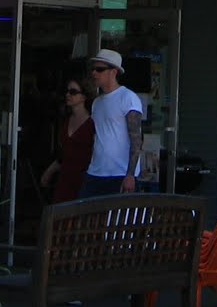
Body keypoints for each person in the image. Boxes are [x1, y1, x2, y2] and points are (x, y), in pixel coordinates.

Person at [79, 49, 144, 197]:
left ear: (113, 72)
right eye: (93, 69)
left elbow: (136, 139)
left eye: (99, 69)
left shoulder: (128, 98)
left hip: (119, 174)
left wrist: (130, 175)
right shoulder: (97, 103)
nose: (94, 73)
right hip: (95, 172)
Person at [40, 72, 95, 203]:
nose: (68, 95)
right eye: (67, 91)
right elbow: (63, 153)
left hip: (84, 179)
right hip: (64, 178)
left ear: (83, 96)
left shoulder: (93, 122)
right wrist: (49, 171)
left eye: (73, 92)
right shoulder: (66, 120)